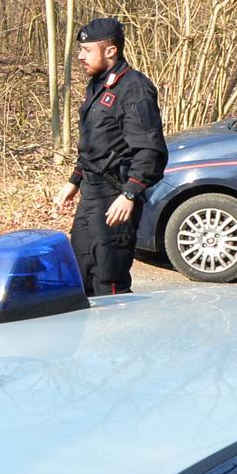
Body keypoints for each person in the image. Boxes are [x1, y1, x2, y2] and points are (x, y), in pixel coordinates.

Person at [53, 17, 168, 295]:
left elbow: (151, 150)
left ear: (110, 51)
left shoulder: (134, 89)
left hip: (115, 194)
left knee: (108, 277)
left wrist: (130, 194)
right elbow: (96, 145)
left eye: (87, 50)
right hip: (91, 193)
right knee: (81, 271)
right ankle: (89, 336)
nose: (80, 56)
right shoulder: (97, 84)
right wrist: (74, 181)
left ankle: (117, 336)